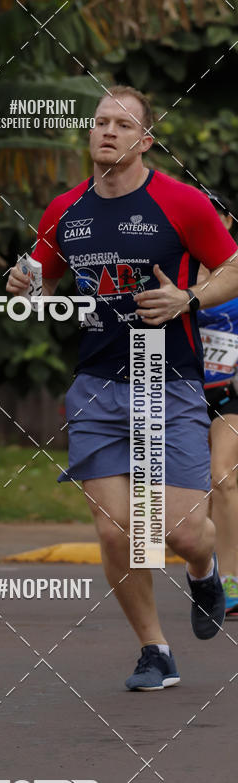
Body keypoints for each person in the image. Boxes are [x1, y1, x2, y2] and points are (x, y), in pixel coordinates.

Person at [7, 85, 238, 691]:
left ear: (145, 140)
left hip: (170, 379)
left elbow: (233, 266)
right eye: (99, 121)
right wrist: (24, 284)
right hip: (96, 386)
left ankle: (205, 567)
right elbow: (42, 272)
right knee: (116, 530)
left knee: (181, 530)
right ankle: (154, 651)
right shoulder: (65, 208)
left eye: (120, 123)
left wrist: (188, 297)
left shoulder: (180, 202)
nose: (106, 131)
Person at [196, 192, 238, 616]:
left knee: (222, 476)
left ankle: (232, 581)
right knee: (194, 495)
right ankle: (203, 575)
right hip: (182, 391)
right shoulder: (175, 269)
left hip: (232, 394)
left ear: (227, 221)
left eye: (213, 214)